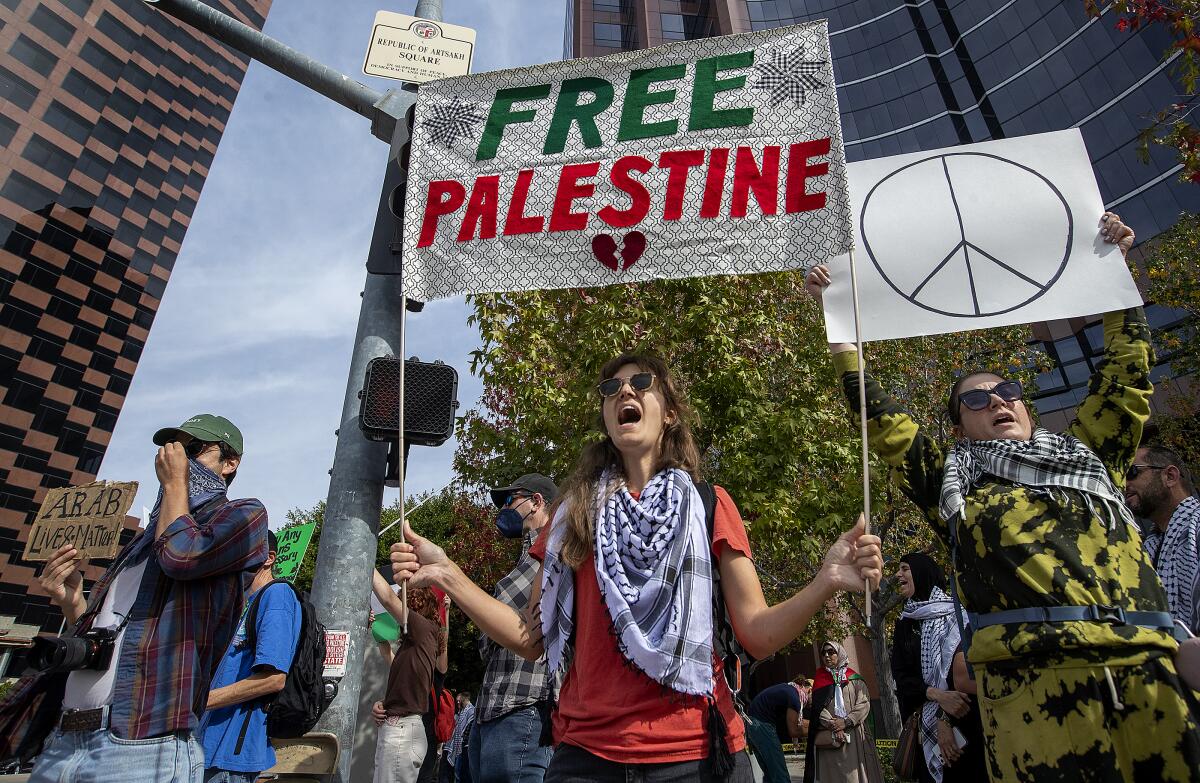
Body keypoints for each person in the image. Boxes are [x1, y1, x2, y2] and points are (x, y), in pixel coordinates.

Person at [806, 212, 1200, 781]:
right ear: (959, 430)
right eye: (975, 400)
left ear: (1026, 406)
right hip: (1034, 706)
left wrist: (1114, 278)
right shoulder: (953, 486)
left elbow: (1125, 377)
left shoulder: (1090, 453)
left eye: (1007, 391)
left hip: (1150, 685)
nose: (997, 401)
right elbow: (882, 420)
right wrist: (840, 327)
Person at [389, 353, 882, 782]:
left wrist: (826, 581)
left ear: (668, 413)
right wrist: (448, 572)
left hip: (698, 756)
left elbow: (756, 633)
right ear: (607, 415)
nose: (624, 390)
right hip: (587, 759)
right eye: (611, 387)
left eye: (641, 382)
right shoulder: (571, 517)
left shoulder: (711, 506)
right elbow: (529, 637)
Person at [28, 414, 267, 783]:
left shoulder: (243, 515)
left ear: (230, 462)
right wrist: (73, 601)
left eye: (194, 449)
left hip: (138, 746)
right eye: (173, 449)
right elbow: (107, 638)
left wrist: (175, 485)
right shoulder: (140, 543)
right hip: (67, 739)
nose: (179, 457)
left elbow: (181, 556)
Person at [468, 474, 560, 783]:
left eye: (511, 500)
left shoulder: (554, 555)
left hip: (523, 711)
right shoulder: (525, 561)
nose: (504, 509)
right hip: (492, 711)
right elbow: (490, 637)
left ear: (536, 502)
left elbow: (511, 623)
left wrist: (447, 576)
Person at [199, 530, 303, 783]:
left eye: (239, 552)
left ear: (268, 558)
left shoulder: (277, 595)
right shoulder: (246, 602)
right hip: (210, 750)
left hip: (231, 757)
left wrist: (198, 702)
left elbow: (273, 678)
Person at [892, 553, 965, 783]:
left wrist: (944, 718)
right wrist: (936, 695)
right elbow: (902, 678)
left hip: (963, 723)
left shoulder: (958, 617)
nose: (898, 575)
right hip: (923, 726)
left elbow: (962, 675)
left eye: (905, 569)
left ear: (922, 573)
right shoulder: (905, 623)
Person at [371, 572, 446, 783]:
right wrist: (383, 704)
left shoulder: (423, 628)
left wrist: (366, 557)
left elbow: (387, 598)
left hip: (401, 734)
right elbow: (391, 660)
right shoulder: (413, 646)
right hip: (398, 730)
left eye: (405, 603)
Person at [1126, 445, 1200, 634]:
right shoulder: (1148, 547)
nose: (1124, 483)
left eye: (1132, 472)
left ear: (1170, 476)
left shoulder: (1196, 526)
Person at [803, 641, 883, 783]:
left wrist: (845, 722)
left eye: (831, 652)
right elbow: (817, 708)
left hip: (853, 736)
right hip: (830, 738)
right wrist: (834, 724)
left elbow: (864, 704)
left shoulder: (855, 680)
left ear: (840, 653)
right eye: (824, 653)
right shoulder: (820, 680)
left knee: (853, 777)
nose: (827, 656)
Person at [745, 677, 808, 782]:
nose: (810, 704)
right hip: (762, 726)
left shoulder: (788, 689)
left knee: (770, 773)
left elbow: (798, 721)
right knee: (780, 775)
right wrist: (815, 729)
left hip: (753, 725)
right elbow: (793, 730)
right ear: (808, 689)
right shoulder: (795, 697)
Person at [442, 692, 474, 783]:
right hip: (458, 746)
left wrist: (464, 742)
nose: (458, 703)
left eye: (459, 701)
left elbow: (468, 729)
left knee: (461, 772)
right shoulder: (461, 712)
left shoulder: (471, 710)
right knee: (457, 771)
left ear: (464, 699)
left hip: (464, 746)